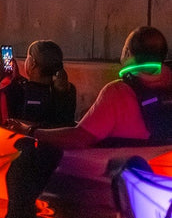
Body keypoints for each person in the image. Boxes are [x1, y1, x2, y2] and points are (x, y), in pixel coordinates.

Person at [11, 26, 172, 148]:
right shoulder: (168, 85)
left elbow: (80, 138)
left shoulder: (117, 92)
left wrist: (29, 131)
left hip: (126, 175)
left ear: (128, 53)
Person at [0, 40, 77, 127]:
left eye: (27, 57)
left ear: (32, 63)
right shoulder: (68, 89)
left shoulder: (17, 91)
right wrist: (17, 78)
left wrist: (0, 80)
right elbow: (39, 88)